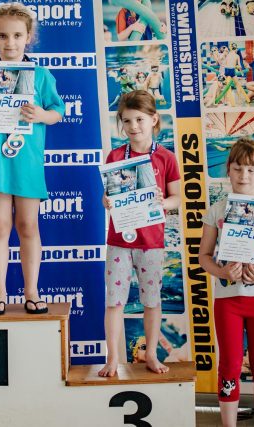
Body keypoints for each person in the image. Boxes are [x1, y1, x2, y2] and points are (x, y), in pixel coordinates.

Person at [0, 3, 64, 316]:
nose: (10, 42)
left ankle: (32, 291)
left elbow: (57, 112)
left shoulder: (41, 75)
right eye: (3, 36)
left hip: (27, 163)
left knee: (28, 225)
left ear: (28, 37)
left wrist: (42, 114)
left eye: (17, 35)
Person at [198, 137, 254, 427]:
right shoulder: (217, 210)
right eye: (238, 168)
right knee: (229, 363)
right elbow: (203, 256)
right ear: (228, 169)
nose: (244, 175)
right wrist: (223, 273)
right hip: (228, 300)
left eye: (251, 169)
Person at [98, 90, 180, 377]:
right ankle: (112, 358)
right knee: (114, 302)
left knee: (152, 302)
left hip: (151, 243)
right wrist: (106, 201)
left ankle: (152, 355)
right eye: (127, 121)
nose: (133, 126)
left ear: (153, 119)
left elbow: (177, 198)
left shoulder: (166, 157)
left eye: (139, 119)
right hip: (119, 242)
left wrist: (162, 202)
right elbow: (107, 196)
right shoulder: (116, 156)